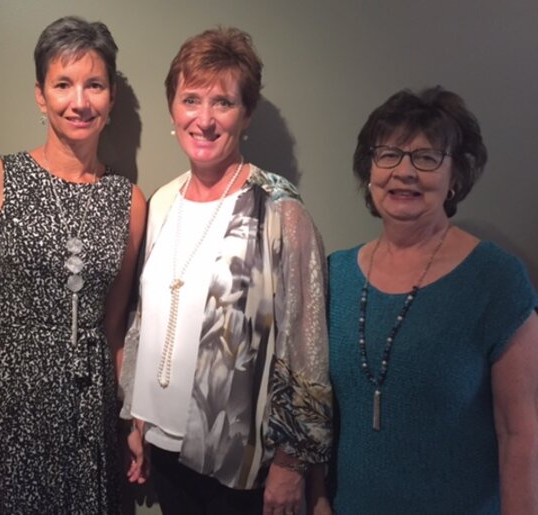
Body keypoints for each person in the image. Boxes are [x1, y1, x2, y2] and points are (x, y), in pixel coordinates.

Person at [120, 27, 332, 515]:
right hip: (163, 447)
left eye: (224, 102)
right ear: (173, 110)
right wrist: (138, 419)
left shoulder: (278, 208)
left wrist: (292, 461)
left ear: (246, 114)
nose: (205, 119)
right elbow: (144, 318)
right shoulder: (162, 201)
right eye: (190, 99)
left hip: (238, 462)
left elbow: (306, 343)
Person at [0, 16, 146, 514]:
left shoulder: (129, 201)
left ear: (111, 96)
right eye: (63, 84)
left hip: (88, 411)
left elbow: (114, 327)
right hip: (8, 404)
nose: (80, 101)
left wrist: (130, 422)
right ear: (40, 95)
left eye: (94, 85)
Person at [327, 87, 538, 514]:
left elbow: (520, 433)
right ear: (369, 171)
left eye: (426, 157)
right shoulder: (336, 274)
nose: (404, 171)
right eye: (388, 154)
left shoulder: (496, 280)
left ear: (455, 177)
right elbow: (316, 412)